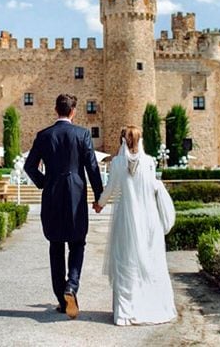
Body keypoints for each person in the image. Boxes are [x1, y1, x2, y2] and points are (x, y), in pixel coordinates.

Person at [24, 93, 103, 319]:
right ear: (73, 111)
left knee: (56, 245)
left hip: (52, 195)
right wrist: (99, 196)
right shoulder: (82, 134)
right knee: (78, 242)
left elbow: (29, 167)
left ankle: (61, 299)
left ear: (56, 110)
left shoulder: (43, 135)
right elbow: (92, 168)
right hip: (76, 195)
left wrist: (44, 182)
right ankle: (72, 286)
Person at [93, 126, 177, 326]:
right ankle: (152, 306)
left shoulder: (117, 162)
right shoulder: (149, 162)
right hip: (149, 220)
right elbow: (153, 187)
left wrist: (99, 205)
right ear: (140, 140)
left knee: (125, 261)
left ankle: (125, 312)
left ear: (123, 140)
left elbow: (110, 189)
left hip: (126, 218)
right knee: (150, 260)